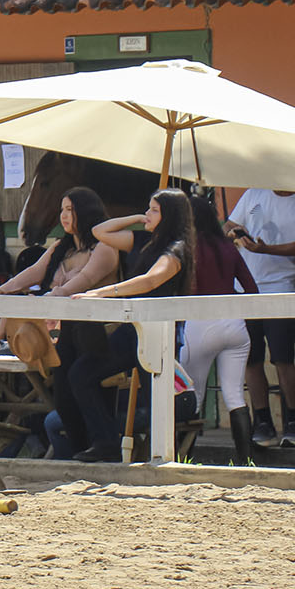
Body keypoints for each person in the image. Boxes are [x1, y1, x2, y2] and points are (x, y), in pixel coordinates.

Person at [0, 187, 119, 453]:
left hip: (99, 334)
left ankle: (101, 445)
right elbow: (33, 272)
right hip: (67, 332)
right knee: (63, 396)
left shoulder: (105, 249)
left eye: (71, 210)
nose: (64, 215)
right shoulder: (60, 247)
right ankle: (79, 449)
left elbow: (83, 281)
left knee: (84, 386)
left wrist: (50, 299)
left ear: (86, 212)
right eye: (62, 209)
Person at [71, 189, 196, 462]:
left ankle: (163, 455)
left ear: (169, 216)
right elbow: (99, 232)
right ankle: (106, 442)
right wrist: (137, 217)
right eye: (148, 208)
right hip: (132, 330)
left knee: (157, 399)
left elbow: (152, 280)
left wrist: (103, 292)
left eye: (154, 210)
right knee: (81, 374)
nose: (147, 214)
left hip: (158, 333)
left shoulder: (176, 248)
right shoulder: (142, 240)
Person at [225, 187, 295, 446]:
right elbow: (230, 224)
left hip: (280, 287)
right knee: (251, 359)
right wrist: (232, 234)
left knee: (283, 358)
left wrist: (266, 250)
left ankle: (294, 422)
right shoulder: (253, 194)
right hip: (245, 287)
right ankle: (262, 421)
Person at [184, 195, 257, 464]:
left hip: (200, 323)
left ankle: (184, 458)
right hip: (235, 325)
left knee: (195, 393)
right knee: (235, 395)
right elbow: (252, 289)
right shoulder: (229, 248)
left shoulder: (187, 247)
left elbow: (187, 288)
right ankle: (245, 461)